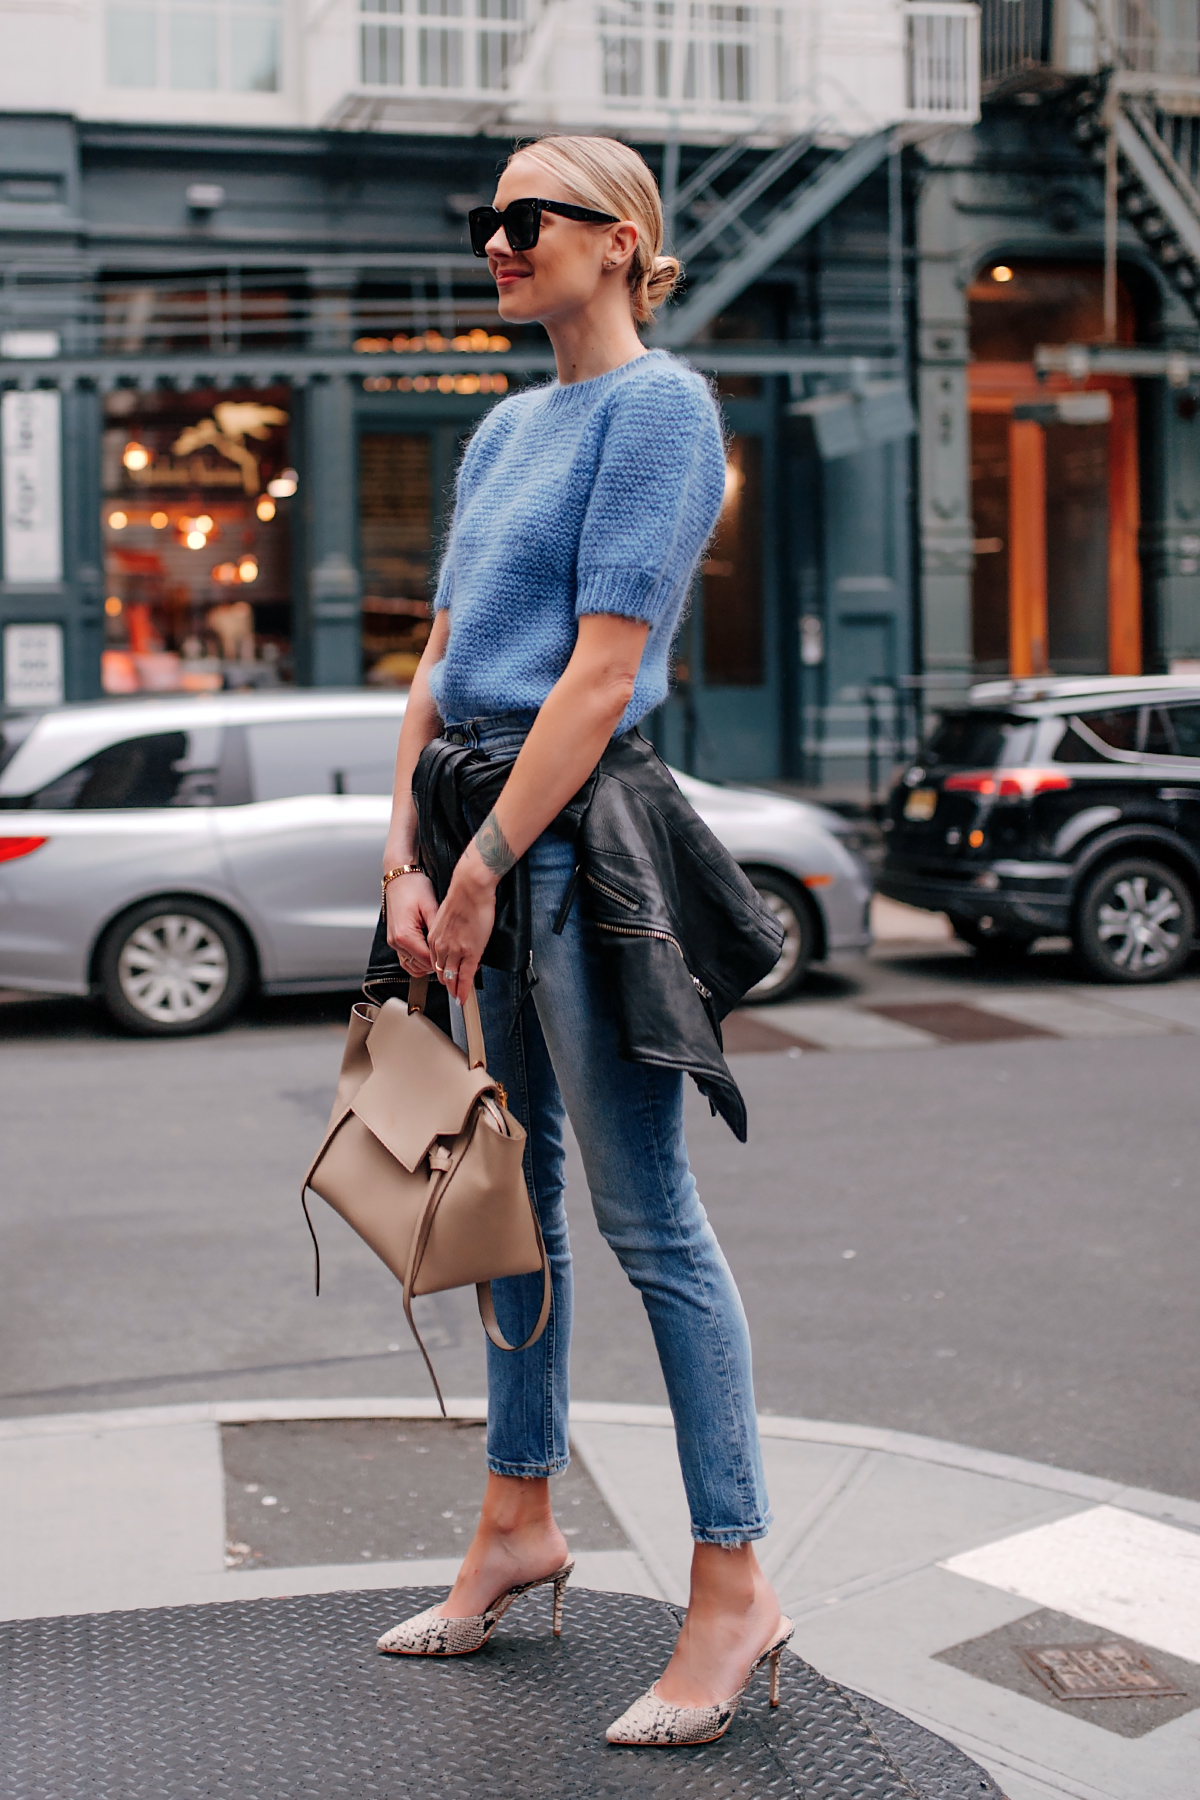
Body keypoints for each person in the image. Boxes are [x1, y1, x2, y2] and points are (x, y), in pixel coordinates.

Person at [376, 133, 791, 1748]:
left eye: (526, 217)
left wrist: (482, 861)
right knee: (496, 1202)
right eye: (484, 219)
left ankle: (736, 1584)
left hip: (572, 855)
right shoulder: (501, 429)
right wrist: (404, 845)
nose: (497, 240)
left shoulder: (660, 411)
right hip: (472, 831)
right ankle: (515, 1524)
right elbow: (445, 655)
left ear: (619, 242)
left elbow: (604, 672)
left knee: (649, 1220)